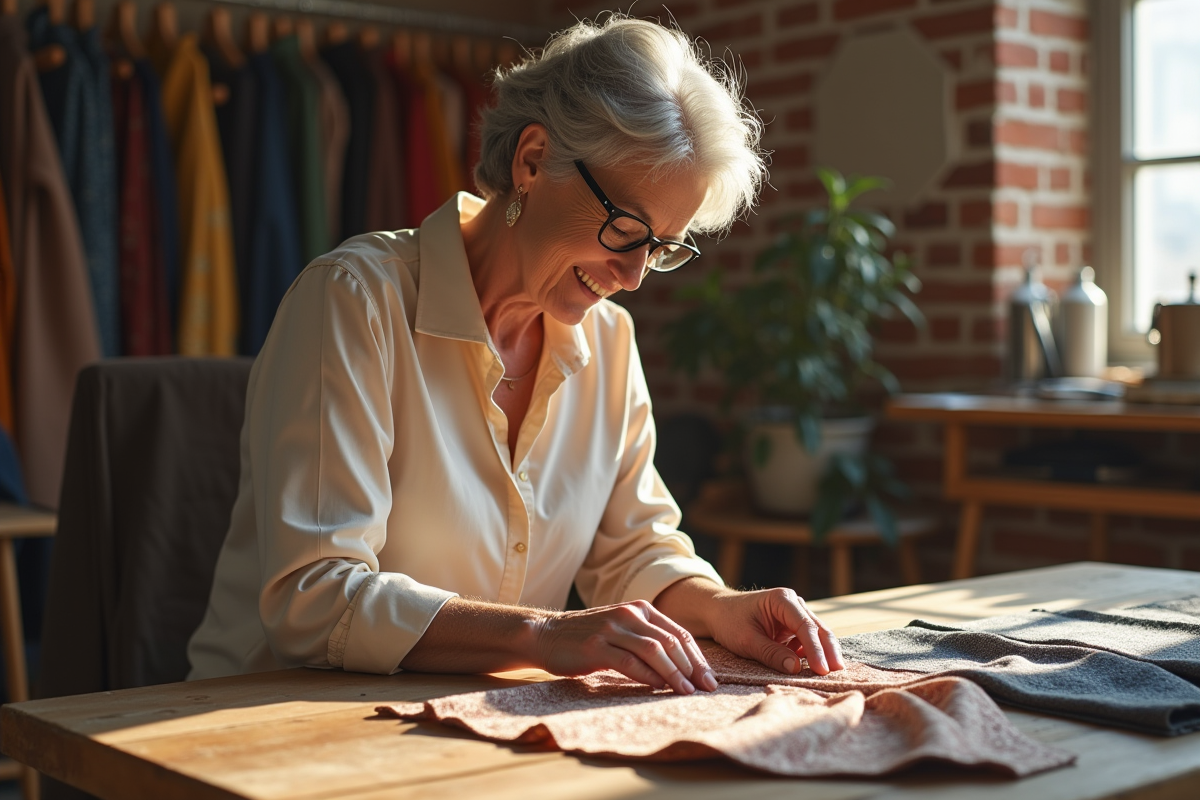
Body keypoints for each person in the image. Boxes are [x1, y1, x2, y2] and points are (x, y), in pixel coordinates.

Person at [187, 13, 845, 694]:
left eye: (663, 247)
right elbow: (313, 598)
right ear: (533, 162)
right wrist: (544, 634)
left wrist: (717, 608)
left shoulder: (610, 345)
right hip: (259, 724)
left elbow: (633, 548)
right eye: (626, 228)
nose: (634, 276)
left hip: (460, 721)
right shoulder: (355, 301)